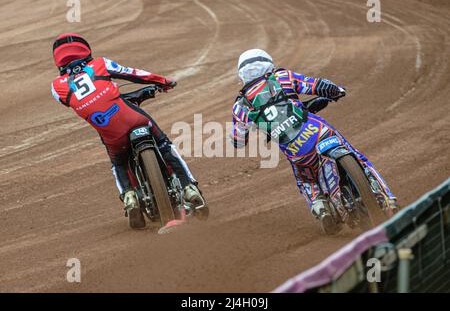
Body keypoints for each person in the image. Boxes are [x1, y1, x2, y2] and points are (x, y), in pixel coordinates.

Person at [231, 49, 397, 232]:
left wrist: (257, 129)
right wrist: (337, 91)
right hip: (317, 132)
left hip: (295, 150)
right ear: (268, 63)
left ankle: (321, 208)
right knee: (358, 157)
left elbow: (238, 141)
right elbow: (317, 85)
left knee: (306, 178)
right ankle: (387, 199)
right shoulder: (282, 77)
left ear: (242, 74)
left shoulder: (241, 106)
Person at [51, 33, 205, 230]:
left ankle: (130, 197)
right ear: (86, 51)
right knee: (164, 144)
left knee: (118, 162)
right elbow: (135, 74)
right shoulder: (100, 64)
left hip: (109, 132)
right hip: (131, 116)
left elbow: (87, 101)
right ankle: (188, 186)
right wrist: (163, 81)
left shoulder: (56, 87)